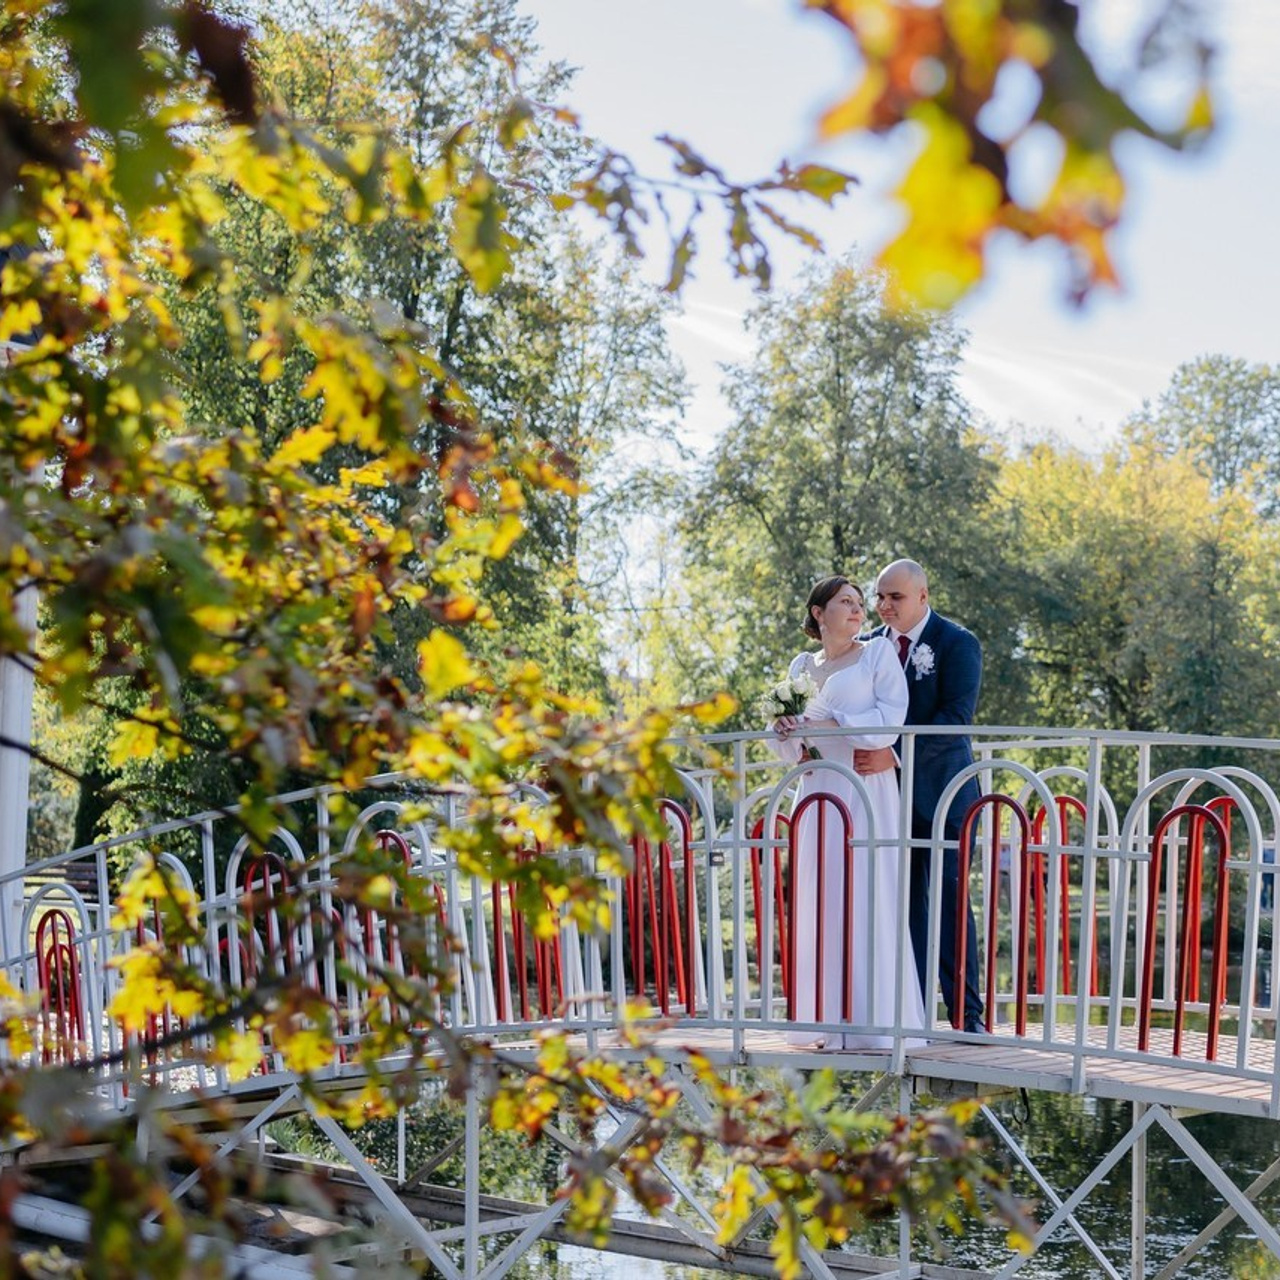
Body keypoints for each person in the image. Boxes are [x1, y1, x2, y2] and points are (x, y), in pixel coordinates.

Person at [771, 575, 926, 1049]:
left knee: (866, 890)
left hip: (864, 785)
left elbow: (893, 717)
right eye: (847, 602)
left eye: (861, 602)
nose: (859, 610)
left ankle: (876, 1022)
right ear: (819, 614)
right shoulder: (802, 665)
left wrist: (840, 721)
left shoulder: (876, 655)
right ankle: (820, 1020)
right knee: (819, 895)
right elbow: (788, 742)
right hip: (818, 789)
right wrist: (785, 732)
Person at [861, 558, 984, 1033]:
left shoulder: (957, 643)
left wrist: (893, 751)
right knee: (904, 903)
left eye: (895, 597)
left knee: (950, 903)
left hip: (946, 795)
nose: (884, 606)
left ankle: (966, 1017)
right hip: (888, 800)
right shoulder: (868, 646)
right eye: (879, 596)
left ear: (923, 596)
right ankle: (912, 1013)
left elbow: (957, 718)